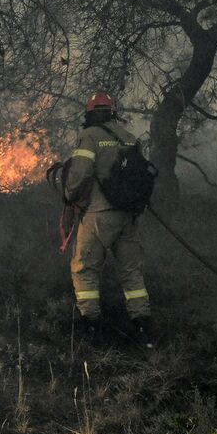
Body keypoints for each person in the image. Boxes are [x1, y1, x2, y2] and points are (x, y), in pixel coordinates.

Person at [64, 91, 153, 347]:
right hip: (128, 216)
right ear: (113, 112)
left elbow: (80, 172)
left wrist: (69, 196)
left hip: (99, 214)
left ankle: (91, 326)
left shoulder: (89, 136)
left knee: (84, 268)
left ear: (90, 114)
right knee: (131, 273)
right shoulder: (128, 137)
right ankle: (143, 327)